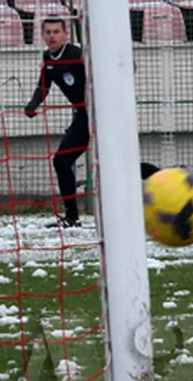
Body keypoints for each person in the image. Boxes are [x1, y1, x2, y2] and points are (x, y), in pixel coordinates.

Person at [24, 17, 160, 228]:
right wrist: (32, 105)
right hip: (83, 117)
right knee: (61, 162)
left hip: (103, 114)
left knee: (116, 164)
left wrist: (121, 66)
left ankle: (168, 179)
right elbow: (43, 86)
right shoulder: (48, 58)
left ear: (65, 34)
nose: (52, 36)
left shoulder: (78, 55)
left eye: (56, 31)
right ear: (42, 35)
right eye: (48, 32)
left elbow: (104, 72)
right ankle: (71, 218)